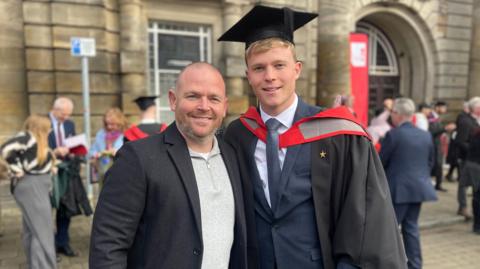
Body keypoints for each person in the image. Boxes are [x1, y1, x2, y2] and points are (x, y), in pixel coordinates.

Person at [219, 5, 407, 269]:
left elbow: (365, 219)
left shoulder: (338, 134)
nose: (270, 76)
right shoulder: (237, 135)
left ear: (297, 69)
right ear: (248, 75)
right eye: (259, 68)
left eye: (279, 65)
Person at [89, 62, 248, 268]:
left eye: (213, 98)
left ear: (224, 107)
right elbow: (107, 247)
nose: (204, 106)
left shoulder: (233, 156)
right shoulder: (138, 158)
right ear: (173, 100)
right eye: (193, 96)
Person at [380, 98, 437, 269]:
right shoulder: (425, 135)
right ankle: (415, 265)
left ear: (397, 114)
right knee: (411, 228)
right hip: (418, 188)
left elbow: (381, 162)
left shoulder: (393, 135)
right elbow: (431, 162)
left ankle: (388, 264)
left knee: (389, 230)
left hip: (398, 189)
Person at [1, 115, 57, 268]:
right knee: (42, 230)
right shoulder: (28, 137)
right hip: (32, 186)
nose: (50, 130)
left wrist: (49, 167)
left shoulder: (34, 140)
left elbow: (33, 160)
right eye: (48, 127)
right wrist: (16, 169)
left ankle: (36, 265)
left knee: (33, 229)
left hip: (35, 185)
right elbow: (5, 149)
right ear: (40, 128)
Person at [48, 96, 78, 257]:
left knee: (65, 210)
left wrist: (74, 152)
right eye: (64, 114)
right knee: (47, 210)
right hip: (48, 173)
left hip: (66, 172)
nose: (66, 118)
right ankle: (49, 245)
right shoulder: (42, 123)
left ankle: (62, 242)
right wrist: (54, 152)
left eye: (68, 115)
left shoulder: (70, 124)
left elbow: (73, 143)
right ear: (55, 109)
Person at [455, 97, 480, 219]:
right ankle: (463, 207)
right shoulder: (466, 121)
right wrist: (474, 149)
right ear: (476, 108)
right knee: (463, 184)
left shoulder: (476, 120)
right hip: (468, 158)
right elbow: (460, 141)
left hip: (475, 159)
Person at [90, 107, 128, 185]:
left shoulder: (126, 134)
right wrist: (96, 154)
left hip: (120, 171)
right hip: (103, 171)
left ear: (120, 123)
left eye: (112, 124)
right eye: (107, 124)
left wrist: (117, 152)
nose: (109, 127)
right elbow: (92, 151)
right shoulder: (101, 134)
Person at [428, 101, 456, 192]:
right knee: (435, 164)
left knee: (439, 164)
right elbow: (431, 131)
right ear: (437, 107)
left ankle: (438, 184)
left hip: (437, 144)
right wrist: (445, 128)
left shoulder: (436, 117)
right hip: (433, 144)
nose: (445, 110)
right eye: (444, 107)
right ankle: (435, 184)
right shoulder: (431, 117)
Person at [459, 126, 480, 235]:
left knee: (476, 196)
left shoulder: (475, 132)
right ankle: (477, 225)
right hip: (476, 167)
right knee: (477, 197)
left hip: (472, 165)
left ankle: (477, 225)